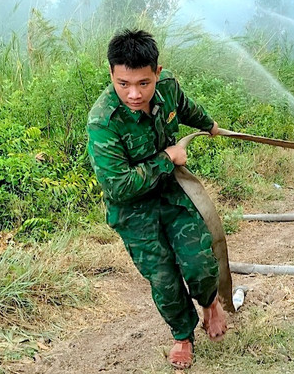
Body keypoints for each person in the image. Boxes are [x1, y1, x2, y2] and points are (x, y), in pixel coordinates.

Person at [87, 29, 226, 369]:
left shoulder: (168, 89)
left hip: (174, 196)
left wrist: (208, 125)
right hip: (134, 213)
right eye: (123, 84)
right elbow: (119, 186)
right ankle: (183, 336)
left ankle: (210, 303)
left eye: (143, 83)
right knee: (163, 279)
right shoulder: (103, 122)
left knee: (201, 264)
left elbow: (185, 107)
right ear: (111, 75)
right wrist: (168, 157)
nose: (134, 94)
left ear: (157, 74)